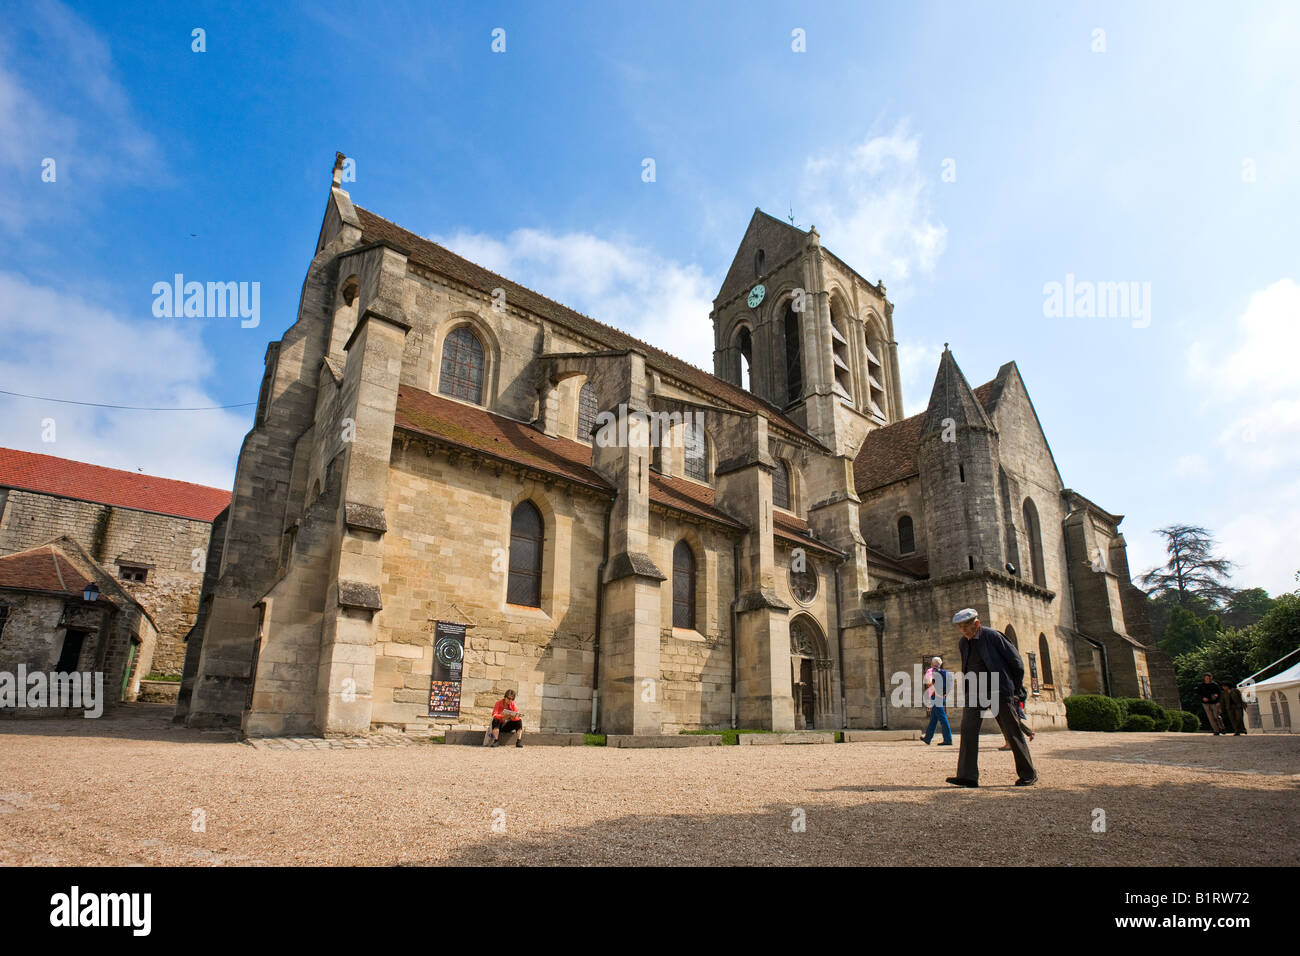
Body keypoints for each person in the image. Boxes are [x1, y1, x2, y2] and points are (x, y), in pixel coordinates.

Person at [946, 608, 1037, 788]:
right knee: (968, 729)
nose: (964, 630)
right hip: (975, 691)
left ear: (977, 623)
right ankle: (967, 776)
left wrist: (1015, 689)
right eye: (960, 627)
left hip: (998, 689)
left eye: (967, 626)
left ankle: (1028, 773)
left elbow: (1016, 663)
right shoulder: (963, 643)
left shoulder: (993, 636)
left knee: (1012, 731)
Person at [921, 656, 953, 746]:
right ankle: (928, 738)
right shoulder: (947, 673)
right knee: (934, 718)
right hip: (942, 696)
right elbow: (950, 685)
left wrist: (935, 693)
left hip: (935, 696)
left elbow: (929, 683)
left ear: (932, 663)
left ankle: (948, 739)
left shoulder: (930, 671)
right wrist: (944, 694)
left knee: (942, 718)